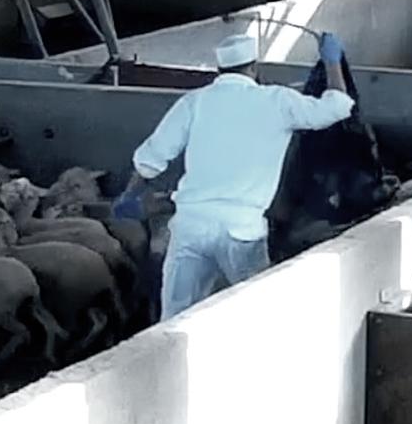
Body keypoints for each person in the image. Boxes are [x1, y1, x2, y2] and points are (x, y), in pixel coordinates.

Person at [114, 30, 355, 319]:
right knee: (256, 316)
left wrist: (128, 196)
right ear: (254, 68)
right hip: (242, 228)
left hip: (190, 226)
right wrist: (331, 61)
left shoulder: (195, 102)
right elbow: (338, 107)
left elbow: (150, 159)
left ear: (219, 69)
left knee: (175, 317)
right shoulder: (277, 100)